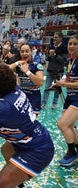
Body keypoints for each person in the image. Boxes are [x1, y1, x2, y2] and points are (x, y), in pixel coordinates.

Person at [54, 33, 78, 167]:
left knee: (62, 124)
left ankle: (72, 152)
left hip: (77, 98)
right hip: (70, 97)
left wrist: (64, 84)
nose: (72, 46)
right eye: (70, 44)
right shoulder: (71, 61)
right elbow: (69, 79)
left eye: (75, 44)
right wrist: (59, 83)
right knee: (69, 125)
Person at [9, 43, 44, 116]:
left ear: (31, 52)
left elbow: (40, 82)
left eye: (27, 51)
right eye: (22, 51)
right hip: (20, 98)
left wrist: (27, 72)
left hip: (33, 97)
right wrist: (17, 62)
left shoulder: (36, 65)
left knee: (31, 122)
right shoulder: (18, 65)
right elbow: (4, 69)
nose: (24, 53)